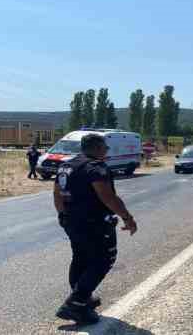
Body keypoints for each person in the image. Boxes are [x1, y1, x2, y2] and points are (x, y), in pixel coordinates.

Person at [53, 134, 138, 324]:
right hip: (94, 222)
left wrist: (63, 216)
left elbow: (57, 194)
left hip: (72, 221)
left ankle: (82, 297)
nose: (107, 150)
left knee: (81, 258)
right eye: (105, 147)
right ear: (97, 148)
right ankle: (76, 303)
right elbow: (107, 197)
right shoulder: (96, 167)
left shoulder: (67, 165)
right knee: (104, 259)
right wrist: (127, 218)